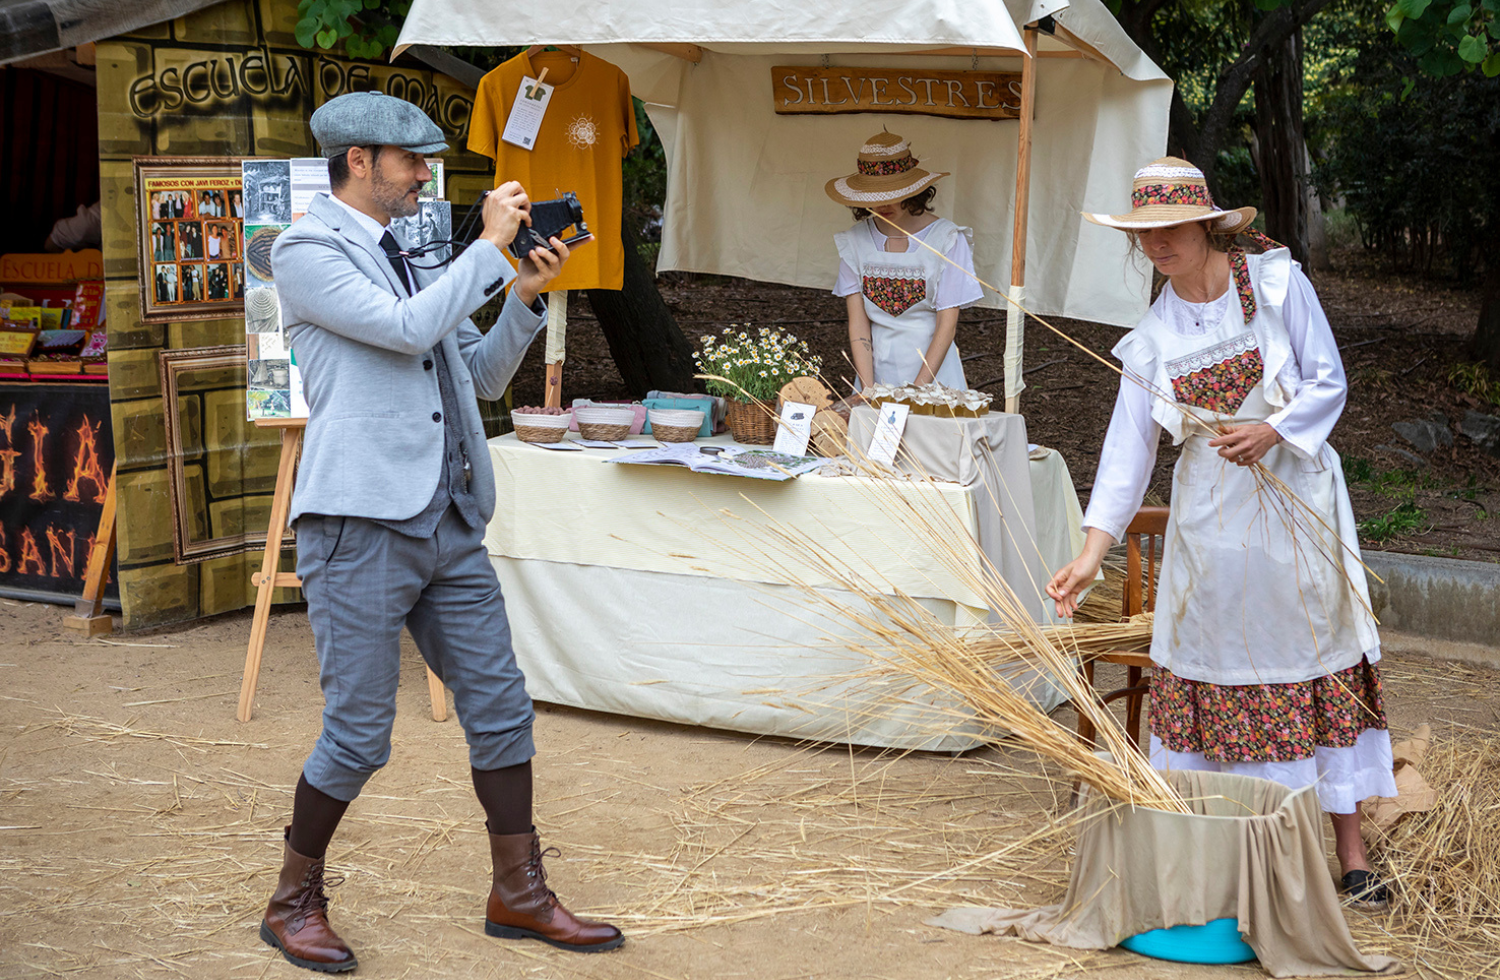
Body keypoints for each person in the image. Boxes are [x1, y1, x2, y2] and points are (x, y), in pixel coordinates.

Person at [259, 91, 624, 973]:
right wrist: (489, 249)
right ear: (360, 163)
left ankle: (520, 893)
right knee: (358, 733)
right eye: (411, 161)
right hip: (359, 523)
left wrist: (523, 299)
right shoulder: (306, 251)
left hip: (450, 516)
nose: (426, 174)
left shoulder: (405, 256)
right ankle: (290, 900)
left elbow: (477, 379)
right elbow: (406, 330)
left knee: (501, 710)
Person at [1046, 158, 1397, 907]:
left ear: (1206, 224)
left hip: (1294, 512)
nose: (1156, 246)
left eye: (1168, 229)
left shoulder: (1273, 284)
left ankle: (1351, 855)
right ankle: (1224, 850)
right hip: (1210, 525)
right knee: (1216, 672)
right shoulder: (1150, 338)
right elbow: (1127, 450)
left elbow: (1328, 377)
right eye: (1143, 235)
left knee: (1312, 662)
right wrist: (1090, 553)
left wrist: (1273, 428)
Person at [825, 131, 982, 393]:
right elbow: (859, 322)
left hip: (935, 378)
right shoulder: (854, 243)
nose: (883, 203)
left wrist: (915, 392)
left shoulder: (947, 240)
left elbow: (947, 325)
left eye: (892, 192)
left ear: (913, 191)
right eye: (874, 194)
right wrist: (867, 389)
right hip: (875, 374)